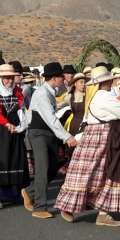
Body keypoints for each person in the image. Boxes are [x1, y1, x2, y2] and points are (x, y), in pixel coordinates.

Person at [54, 66, 120, 227]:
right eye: (110, 80)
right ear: (108, 81)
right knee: (107, 172)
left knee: (91, 173)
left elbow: (90, 120)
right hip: (105, 138)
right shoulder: (104, 97)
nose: (112, 82)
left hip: (97, 136)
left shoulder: (95, 96)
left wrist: (78, 137)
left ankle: (83, 208)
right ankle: (90, 210)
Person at [21, 62, 77, 219]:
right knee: (43, 167)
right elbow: (50, 118)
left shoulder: (50, 92)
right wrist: (67, 137)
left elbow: (52, 113)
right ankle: (39, 207)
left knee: (54, 165)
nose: (63, 79)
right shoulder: (42, 94)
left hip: (48, 135)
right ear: (54, 78)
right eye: (61, 76)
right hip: (38, 134)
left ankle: (30, 191)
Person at [0, 64, 29, 209]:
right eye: (6, 78)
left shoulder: (17, 91)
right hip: (2, 132)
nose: (9, 81)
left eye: (11, 78)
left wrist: (22, 124)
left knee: (16, 159)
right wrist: (6, 124)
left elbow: (21, 109)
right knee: (3, 160)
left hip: (15, 131)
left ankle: (15, 194)